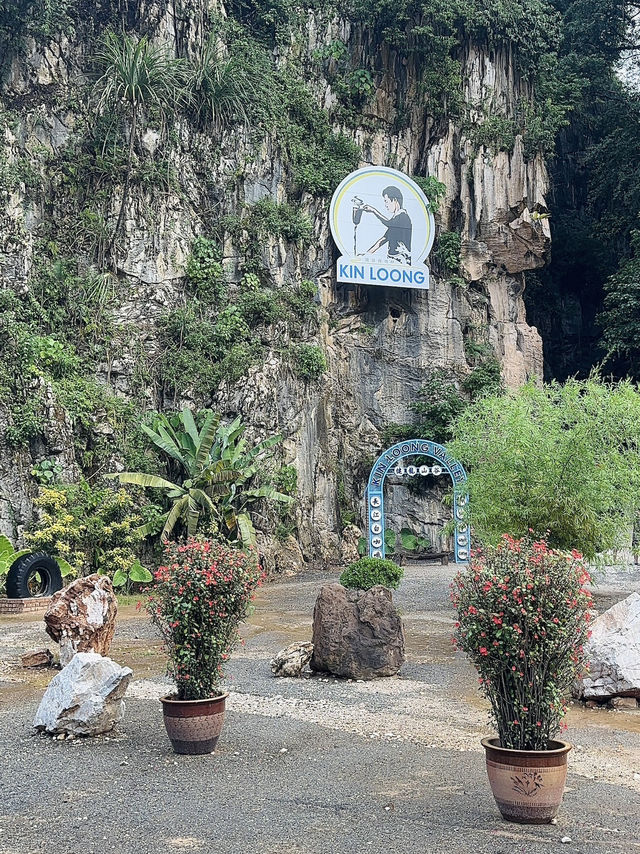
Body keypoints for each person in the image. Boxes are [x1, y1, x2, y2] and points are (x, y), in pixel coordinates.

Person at [361, 186, 412, 263]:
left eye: (386, 201)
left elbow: (388, 223)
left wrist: (374, 211)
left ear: (395, 200)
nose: (385, 205)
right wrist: (366, 255)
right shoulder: (395, 220)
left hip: (402, 259)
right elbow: (383, 239)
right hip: (391, 259)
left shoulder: (403, 217)